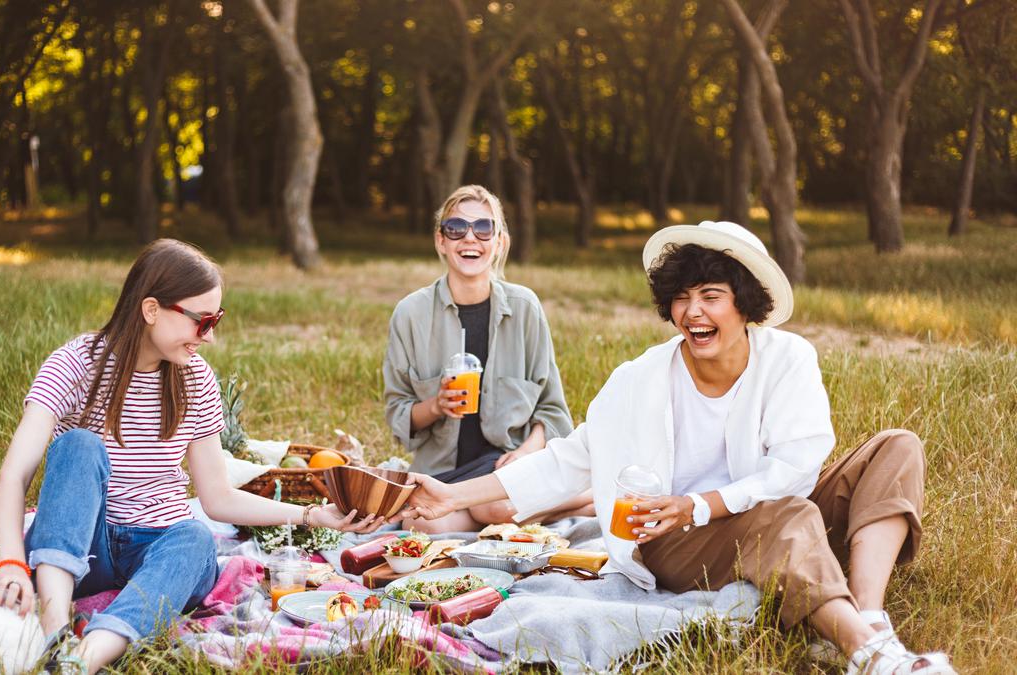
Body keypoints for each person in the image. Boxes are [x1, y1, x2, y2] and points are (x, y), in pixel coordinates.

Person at [400, 221, 955, 674]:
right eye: (681, 299)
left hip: (767, 513)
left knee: (896, 447)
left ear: (746, 305)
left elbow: (797, 467)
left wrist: (704, 502)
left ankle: (870, 618)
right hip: (672, 540)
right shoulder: (639, 379)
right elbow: (567, 462)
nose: (693, 313)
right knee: (783, 517)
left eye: (711, 297)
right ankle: (871, 655)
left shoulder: (788, 359)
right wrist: (451, 497)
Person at [0, 239, 382, 674]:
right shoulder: (76, 364)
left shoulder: (196, 380)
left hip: (159, 547)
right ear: (152, 309)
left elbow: (217, 499)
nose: (209, 335)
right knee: (79, 445)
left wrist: (309, 517)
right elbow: (12, 479)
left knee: (195, 537)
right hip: (83, 548)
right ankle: (54, 630)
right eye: (202, 321)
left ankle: (82, 660)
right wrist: (11, 564)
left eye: (217, 319)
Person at [382, 184, 591, 533]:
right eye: (456, 228)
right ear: (441, 241)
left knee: (496, 502)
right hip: (444, 476)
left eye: (483, 228)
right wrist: (436, 406)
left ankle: (545, 503)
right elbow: (398, 415)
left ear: (500, 243)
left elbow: (552, 410)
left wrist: (525, 455)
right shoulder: (410, 314)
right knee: (425, 527)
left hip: (508, 465)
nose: (470, 238)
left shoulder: (525, 308)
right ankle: (585, 503)